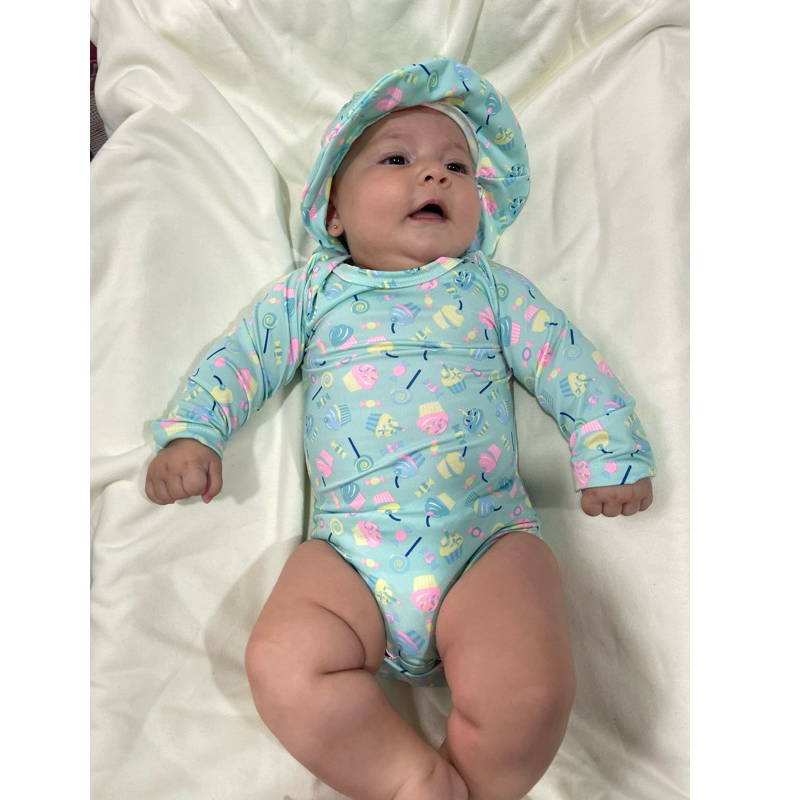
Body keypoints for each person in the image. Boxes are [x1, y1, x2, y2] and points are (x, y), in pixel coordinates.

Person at [145, 58, 655, 800]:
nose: (434, 174)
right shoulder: (311, 292)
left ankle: (472, 785)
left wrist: (609, 450)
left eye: (457, 166)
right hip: (351, 556)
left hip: (484, 540)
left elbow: (566, 359)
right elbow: (244, 355)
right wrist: (195, 430)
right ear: (334, 213)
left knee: (530, 690)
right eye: (396, 159)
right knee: (281, 661)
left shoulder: (489, 289)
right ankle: (409, 781)